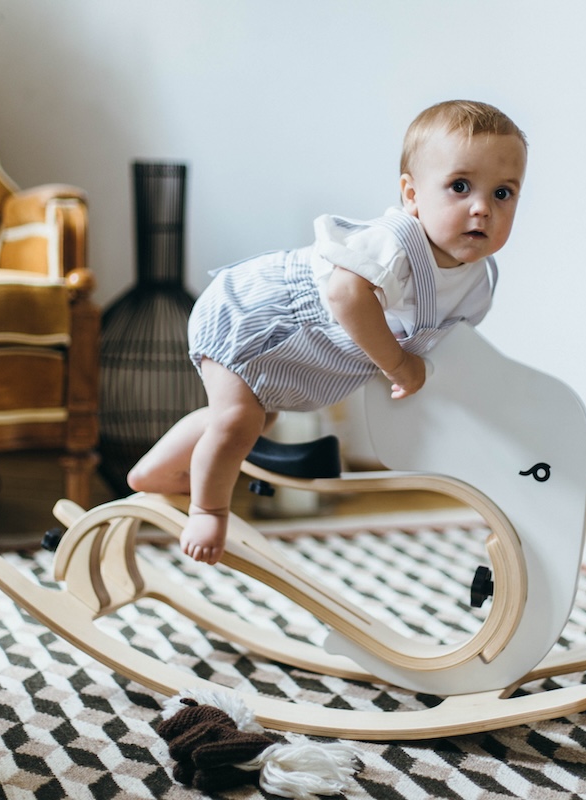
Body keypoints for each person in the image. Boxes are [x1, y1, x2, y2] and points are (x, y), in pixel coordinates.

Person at [127, 99, 528, 564]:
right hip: (259, 315)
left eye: (503, 193)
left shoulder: (477, 282)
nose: (482, 209)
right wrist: (398, 365)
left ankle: (154, 472)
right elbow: (345, 296)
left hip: (299, 355)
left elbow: (449, 346)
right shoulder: (394, 242)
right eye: (460, 187)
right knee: (239, 420)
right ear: (412, 195)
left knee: (254, 417)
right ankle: (208, 508)